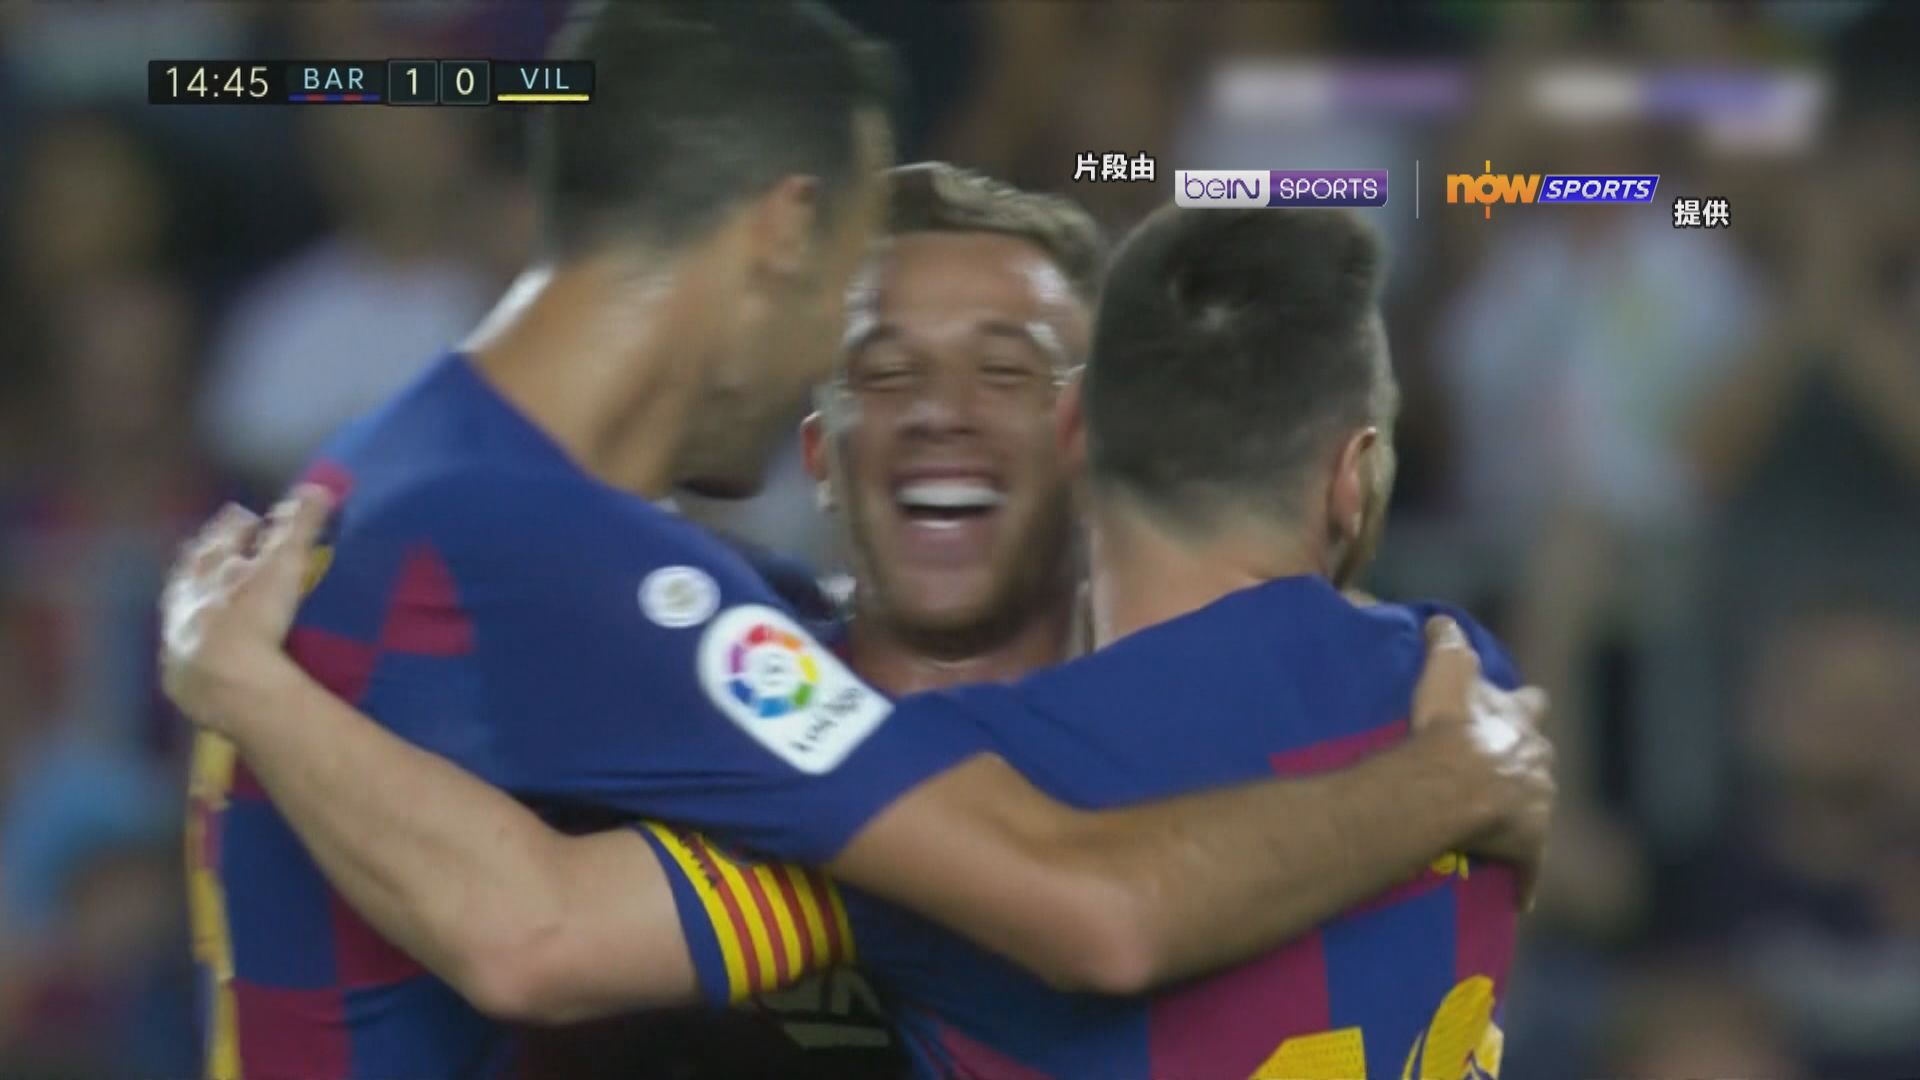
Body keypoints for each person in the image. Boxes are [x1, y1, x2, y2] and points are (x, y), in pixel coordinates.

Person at [161, 5, 1553, 1079]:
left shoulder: (428, 486)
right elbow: (536, 932)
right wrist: (1458, 778)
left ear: (1088, 438)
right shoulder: (650, 619)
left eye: (1008, 370)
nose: (939, 412)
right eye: (872, 354)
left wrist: (250, 693)